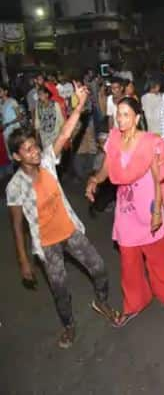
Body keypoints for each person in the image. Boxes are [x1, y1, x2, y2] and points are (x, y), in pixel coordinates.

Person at [6, 82, 117, 349]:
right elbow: (17, 226)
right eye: (28, 149)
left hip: (69, 230)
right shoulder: (15, 187)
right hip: (46, 244)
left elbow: (65, 134)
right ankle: (68, 326)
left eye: (34, 146)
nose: (34, 151)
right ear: (16, 156)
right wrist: (24, 260)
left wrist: (78, 106)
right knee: (59, 289)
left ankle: (101, 301)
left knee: (99, 268)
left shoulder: (46, 161)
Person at [86, 97, 164, 327]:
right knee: (129, 261)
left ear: (137, 117)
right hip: (125, 210)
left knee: (157, 258)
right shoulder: (114, 138)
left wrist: (157, 212)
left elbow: (158, 179)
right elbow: (107, 167)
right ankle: (135, 302)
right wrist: (95, 179)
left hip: (148, 206)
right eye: (119, 114)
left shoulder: (150, 142)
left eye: (126, 115)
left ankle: (162, 292)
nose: (121, 119)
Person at [0, 84, 22, 157]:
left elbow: (19, 117)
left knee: (19, 150)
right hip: (5, 132)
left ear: (6, 92)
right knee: (11, 153)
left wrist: (8, 124)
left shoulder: (12, 101)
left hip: (14, 130)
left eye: (0, 90)